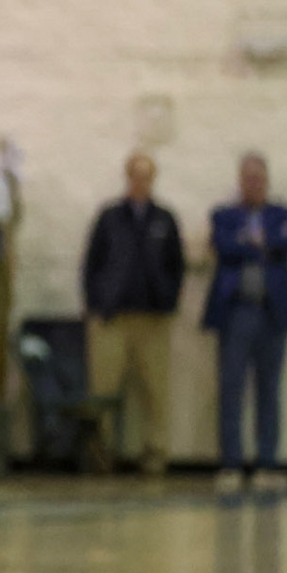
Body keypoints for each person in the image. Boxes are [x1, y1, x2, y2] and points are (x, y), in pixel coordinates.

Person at [203, 153, 287, 494]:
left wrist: (256, 244)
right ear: (240, 181)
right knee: (231, 388)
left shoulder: (281, 214)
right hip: (236, 313)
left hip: (273, 314)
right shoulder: (224, 215)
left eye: (259, 179)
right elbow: (223, 245)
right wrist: (259, 248)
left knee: (269, 389)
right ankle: (231, 463)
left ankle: (267, 462)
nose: (253, 184)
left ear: (267, 181)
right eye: (248, 179)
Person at [83, 152, 185, 476]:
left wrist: (168, 301)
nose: (140, 182)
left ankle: (154, 455)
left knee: (155, 391)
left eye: (146, 176)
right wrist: (96, 305)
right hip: (112, 318)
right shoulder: (110, 216)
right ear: (127, 178)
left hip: (152, 319)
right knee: (105, 390)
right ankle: (103, 455)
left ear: (153, 180)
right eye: (135, 176)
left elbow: (176, 265)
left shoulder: (164, 219)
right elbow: (92, 264)